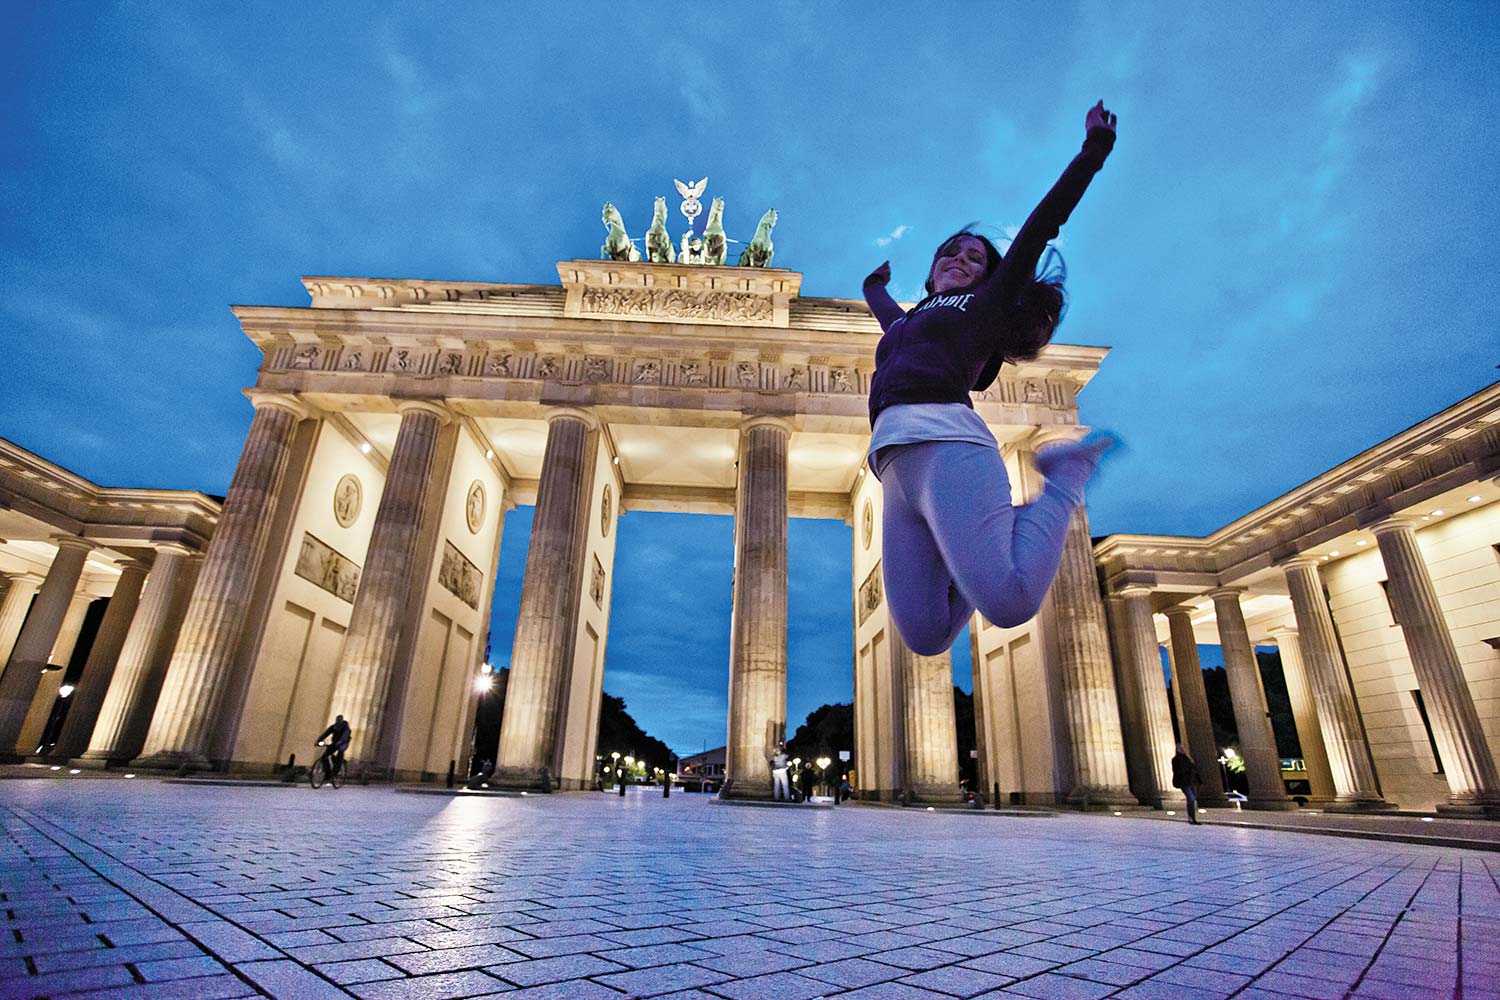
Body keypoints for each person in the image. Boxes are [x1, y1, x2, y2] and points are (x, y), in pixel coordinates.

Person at [861, 101, 1118, 656]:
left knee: (1010, 602)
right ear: (931, 270)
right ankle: (987, 533)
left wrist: (1093, 150)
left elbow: (1040, 226)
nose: (960, 257)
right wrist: (872, 287)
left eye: (975, 256)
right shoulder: (908, 322)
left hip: (950, 447)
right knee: (926, 635)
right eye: (950, 251)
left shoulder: (983, 307)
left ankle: (1066, 479)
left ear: (990, 275)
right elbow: (886, 317)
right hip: (894, 469)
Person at [1171, 745, 1201, 824]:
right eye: (1180, 749)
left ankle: (1192, 818)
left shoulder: (1189, 759)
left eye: (1183, 748)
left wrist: (1199, 780)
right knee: (1191, 798)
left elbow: (1194, 770)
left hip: (1192, 781)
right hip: (1184, 782)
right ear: (1177, 750)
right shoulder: (1176, 759)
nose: (1182, 750)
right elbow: (1176, 771)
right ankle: (1191, 817)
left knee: (1192, 799)